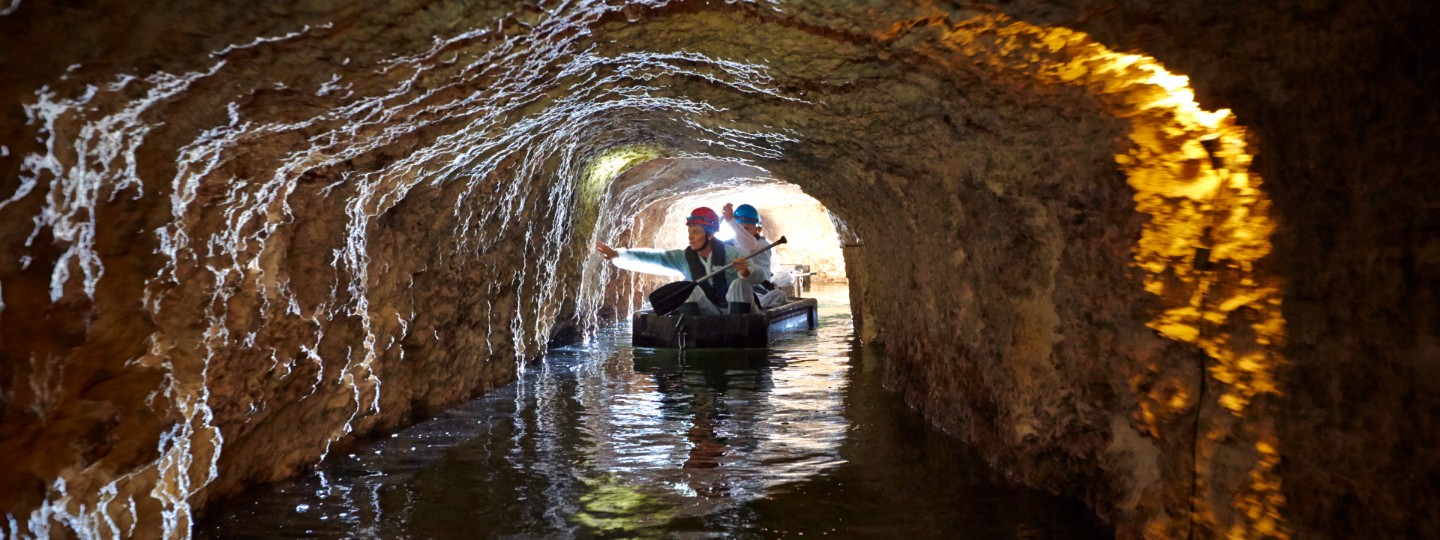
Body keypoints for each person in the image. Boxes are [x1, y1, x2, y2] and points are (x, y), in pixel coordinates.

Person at [596, 207, 768, 315]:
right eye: (690, 231)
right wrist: (618, 254)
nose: (690, 237)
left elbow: (759, 276)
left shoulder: (733, 253)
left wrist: (745, 271)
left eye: (696, 232)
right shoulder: (684, 257)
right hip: (709, 315)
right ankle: (694, 335)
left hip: (738, 314)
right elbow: (656, 258)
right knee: (687, 289)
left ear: (709, 234)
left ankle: (738, 337)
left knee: (740, 284)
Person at [722, 203, 788, 308]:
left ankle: (757, 308)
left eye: (746, 229)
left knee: (780, 295)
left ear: (756, 228)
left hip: (760, 292)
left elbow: (747, 244)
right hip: (736, 292)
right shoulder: (728, 245)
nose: (743, 232)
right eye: (740, 229)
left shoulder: (762, 245)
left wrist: (731, 220)